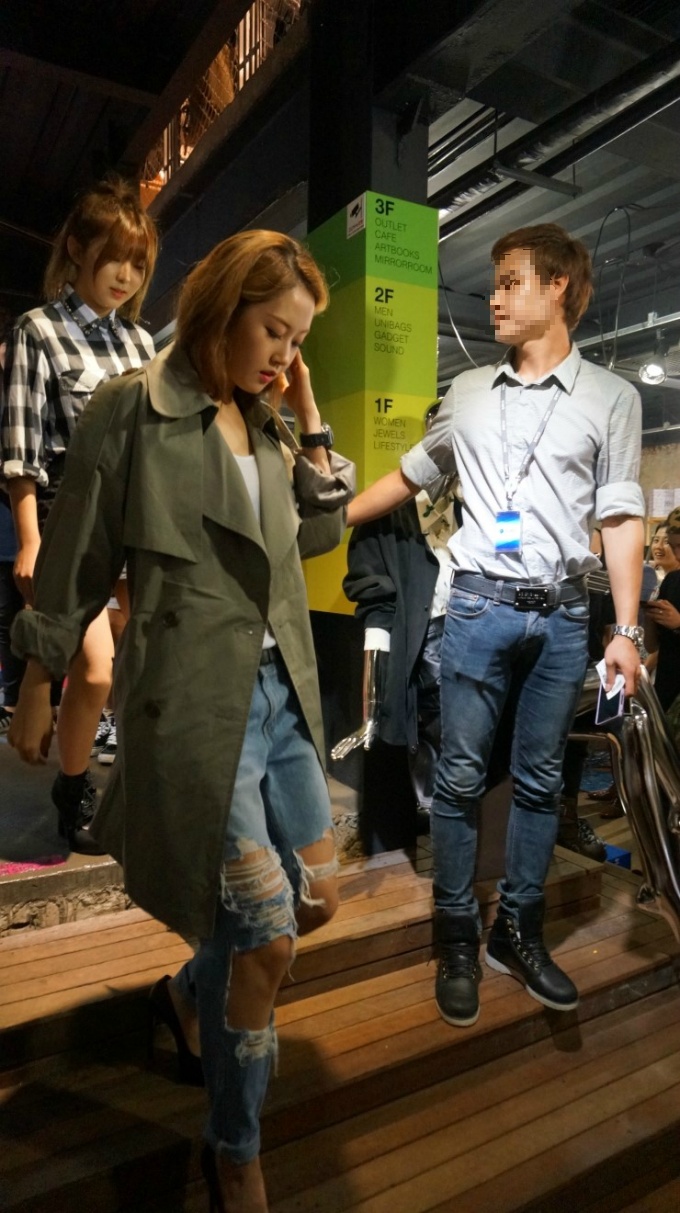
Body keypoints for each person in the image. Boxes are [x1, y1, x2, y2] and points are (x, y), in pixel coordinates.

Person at [8, 230, 355, 1213]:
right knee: (268, 942)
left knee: (318, 899)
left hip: (282, 698)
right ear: (221, 307)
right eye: (273, 329)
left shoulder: (270, 420)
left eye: (297, 339)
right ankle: (233, 1146)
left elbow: (321, 532)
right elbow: (77, 547)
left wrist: (310, 417)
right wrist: (40, 673)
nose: (283, 353)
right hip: (195, 706)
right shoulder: (132, 407)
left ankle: (184, 992)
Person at [347, 222, 645, 1027]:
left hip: (563, 615)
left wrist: (626, 630)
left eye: (511, 281)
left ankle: (517, 929)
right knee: (458, 777)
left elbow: (620, 517)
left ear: (559, 287)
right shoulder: (470, 391)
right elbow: (412, 474)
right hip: (478, 606)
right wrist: (327, 516)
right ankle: (454, 933)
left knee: (541, 780)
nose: (494, 298)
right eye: (495, 283)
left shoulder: (613, 398)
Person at [1, 177, 158, 852]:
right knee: (92, 669)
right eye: (114, 256)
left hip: (138, 520)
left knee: (143, 665)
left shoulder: (142, 344)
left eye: (138, 263)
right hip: (71, 520)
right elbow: (21, 450)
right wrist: (30, 539)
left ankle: (132, 786)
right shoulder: (37, 330)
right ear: (76, 247)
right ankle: (73, 788)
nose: (126, 275)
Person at [334, 403, 459, 821]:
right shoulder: (388, 509)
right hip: (426, 642)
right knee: (434, 745)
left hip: (480, 635)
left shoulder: (483, 504)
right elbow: (375, 601)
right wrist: (371, 711)